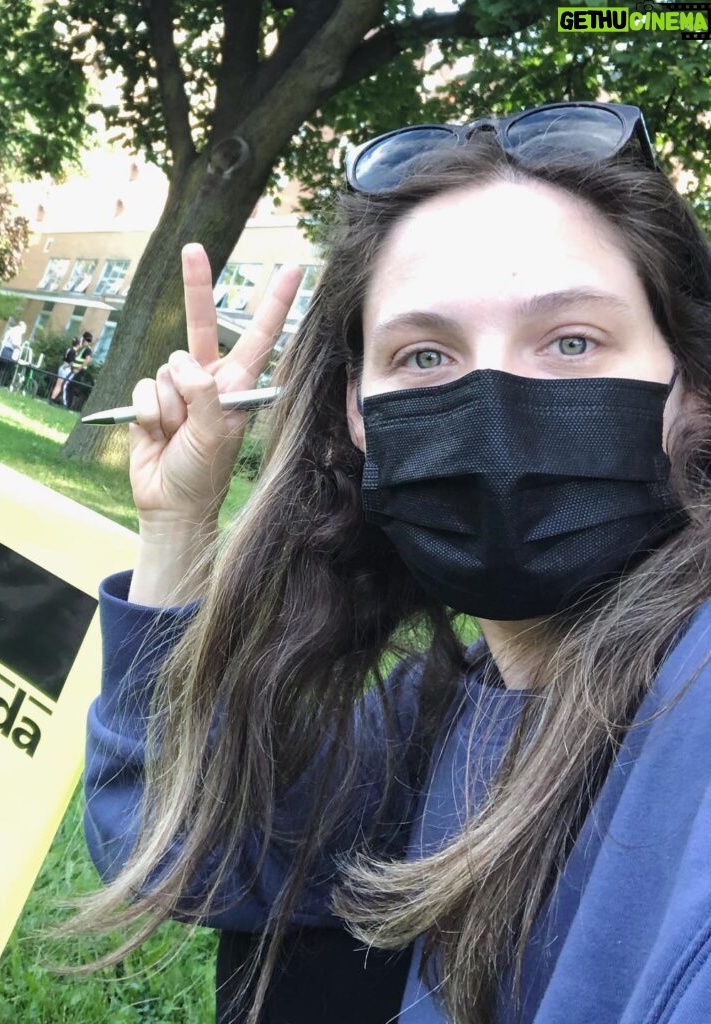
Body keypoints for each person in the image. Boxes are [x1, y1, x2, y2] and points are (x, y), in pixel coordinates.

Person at [78, 101, 711, 1024]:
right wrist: (178, 525)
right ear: (360, 418)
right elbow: (178, 849)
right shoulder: (443, 705)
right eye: (424, 354)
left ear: (692, 390)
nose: (492, 400)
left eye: (572, 341)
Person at [63, 330, 94, 409]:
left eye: (83, 340)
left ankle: (66, 405)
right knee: (70, 387)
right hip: (77, 370)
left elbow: (88, 360)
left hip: (77, 371)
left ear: (83, 339)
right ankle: (68, 405)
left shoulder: (87, 349)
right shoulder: (84, 349)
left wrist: (78, 369)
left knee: (66, 385)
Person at [0, 319, 26, 387]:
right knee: (5, 368)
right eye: (24, 328)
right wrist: (20, 348)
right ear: (21, 326)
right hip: (9, 350)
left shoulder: (13, 330)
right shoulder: (15, 331)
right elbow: (14, 343)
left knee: (2, 367)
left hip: (8, 350)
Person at [50, 334, 83, 404]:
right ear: (78, 344)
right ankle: (53, 399)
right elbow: (71, 362)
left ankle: (53, 398)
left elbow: (65, 359)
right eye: (80, 343)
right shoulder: (73, 352)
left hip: (62, 367)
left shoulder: (69, 349)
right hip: (66, 369)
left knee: (58, 384)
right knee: (61, 385)